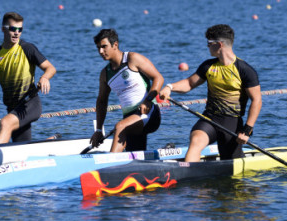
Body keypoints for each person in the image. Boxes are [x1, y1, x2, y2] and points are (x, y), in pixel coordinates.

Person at [159, 24, 262, 162]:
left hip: (232, 123)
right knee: (195, 141)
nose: (207, 46)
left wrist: (247, 130)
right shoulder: (208, 66)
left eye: (209, 43)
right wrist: (169, 87)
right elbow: (189, 83)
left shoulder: (245, 70)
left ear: (219, 44)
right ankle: (189, 178)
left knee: (231, 162)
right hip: (210, 118)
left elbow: (257, 100)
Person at [0, 12, 56, 144]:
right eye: (13, 29)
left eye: (20, 29)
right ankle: (51, 142)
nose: (17, 33)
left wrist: (45, 78)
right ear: (3, 29)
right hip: (13, 108)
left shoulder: (28, 49)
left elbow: (50, 68)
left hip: (30, 104)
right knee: (21, 147)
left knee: (6, 123)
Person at [90, 29, 164, 152]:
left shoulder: (133, 58)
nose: (101, 51)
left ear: (115, 45)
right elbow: (102, 101)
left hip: (149, 113)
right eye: (98, 48)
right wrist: (98, 130)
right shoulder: (104, 74)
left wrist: (148, 100)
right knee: (135, 157)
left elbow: (158, 78)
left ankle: (109, 167)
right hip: (130, 119)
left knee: (120, 126)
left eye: (104, 47)